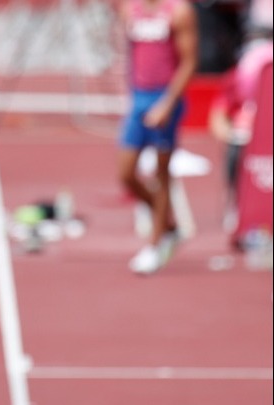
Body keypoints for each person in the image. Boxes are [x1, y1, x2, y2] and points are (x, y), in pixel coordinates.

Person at [117, 0, 199, 274]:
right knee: (126, 174)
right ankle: (169, 223)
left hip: (166, 99)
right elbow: (130, 52)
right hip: (139, 98)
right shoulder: (130, 8)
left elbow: (189, 62)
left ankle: (156, 243)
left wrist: (167, 103)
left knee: (161, 175)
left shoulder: (179, 11)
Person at [208, 25, 273, 231]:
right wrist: (232, 135)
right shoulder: (238, 76)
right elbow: (218, 115)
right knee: (235, 156)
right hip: (246, 138)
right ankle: (236, 204)